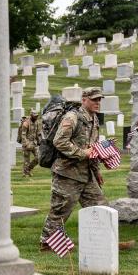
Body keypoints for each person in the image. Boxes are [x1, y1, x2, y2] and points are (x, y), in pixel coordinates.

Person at [39, 87, 107, 250]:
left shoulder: (94, 119)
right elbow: (59, 141)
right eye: (94, 99)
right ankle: (47, 244)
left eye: (99, 100)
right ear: (84, 100)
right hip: (67, 174)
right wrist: (83, 153)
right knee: (61, 211)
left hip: (86, 174)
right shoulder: (72, 117)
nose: (97, 103)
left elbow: (93, 147)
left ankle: (103, 243)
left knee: (101, 207)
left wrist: (96, 171)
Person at [18, 110, 41, 177]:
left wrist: (39, 141)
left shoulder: (37, 122)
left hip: (34, 143)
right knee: (26, 159)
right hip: (27, 143)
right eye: (35, 116)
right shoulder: (26, 123)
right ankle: (25, 173)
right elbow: (23, 135)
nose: (36, 117)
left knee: (38, 157)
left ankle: (28, 169)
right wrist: (26, 144)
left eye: (37, 116)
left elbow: (38, 133)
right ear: (31, 116)